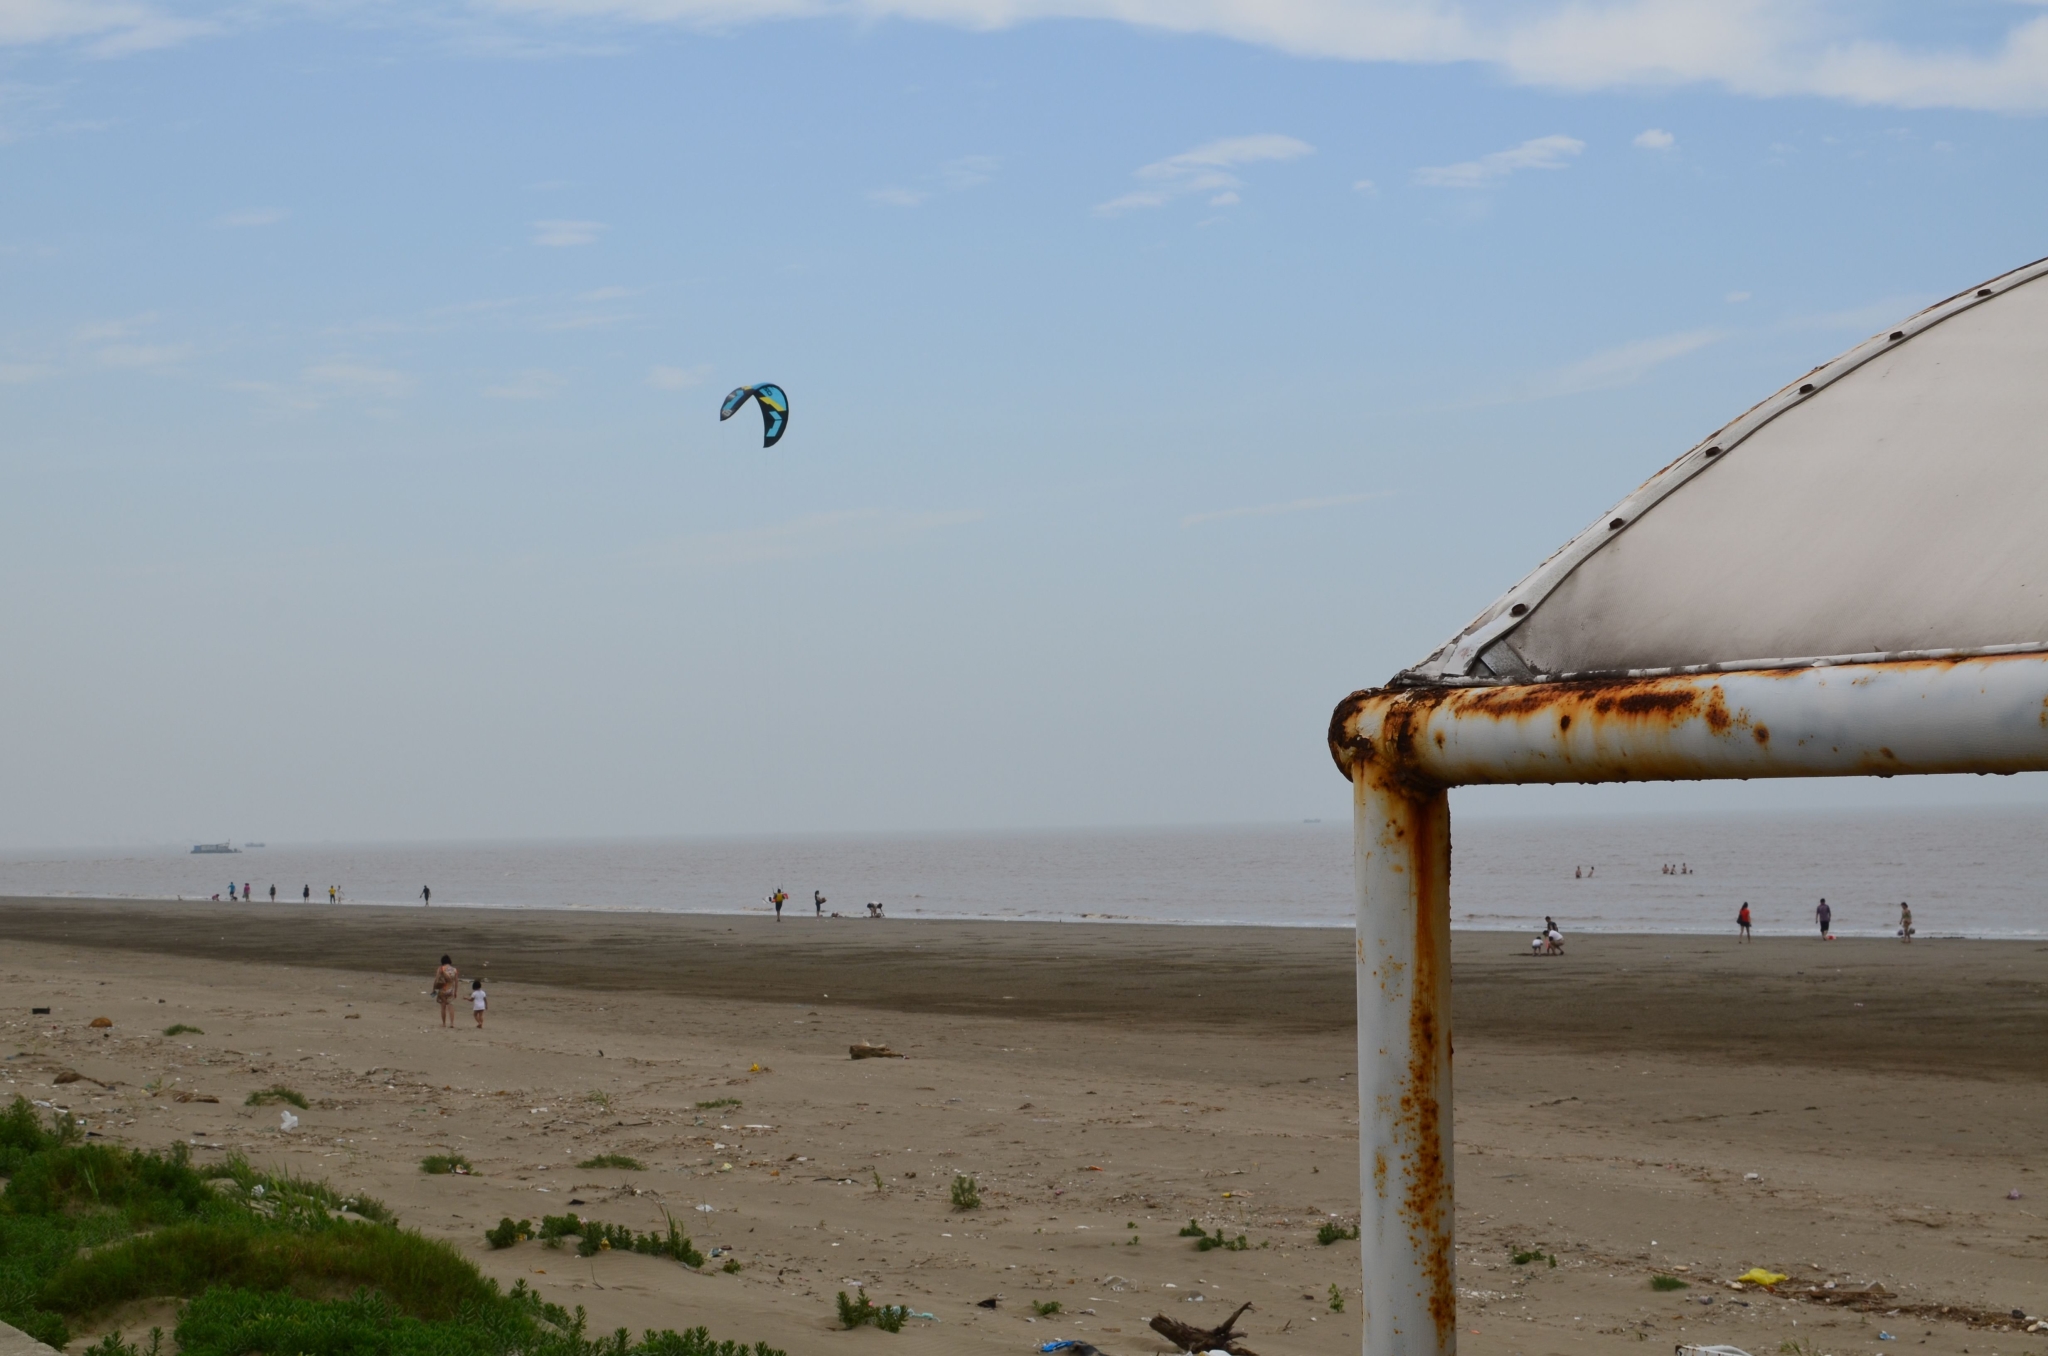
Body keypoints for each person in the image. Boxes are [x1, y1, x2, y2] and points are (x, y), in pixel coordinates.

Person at [432, 955, 459, 1029]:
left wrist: (434, 989)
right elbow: (456, 982)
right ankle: (452, 1023)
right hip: (451, 990)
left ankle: (444, 1023)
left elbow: (436, 979)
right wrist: (455, 991)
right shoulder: (454, 970)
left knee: (443, 1007)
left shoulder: (441, 969)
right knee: (451, 1006)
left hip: (442, 990)